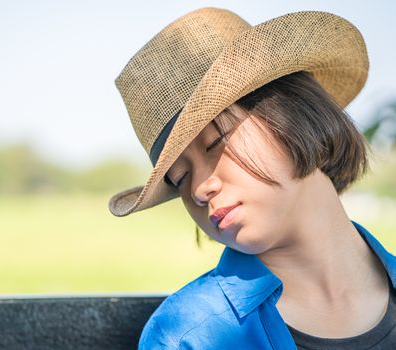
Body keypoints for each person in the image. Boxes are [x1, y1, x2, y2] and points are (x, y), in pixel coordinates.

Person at [108, 7, 396, 350]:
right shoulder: (188, 337)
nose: (200, 188)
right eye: (179, 178)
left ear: (293, 113)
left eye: (216, 141)